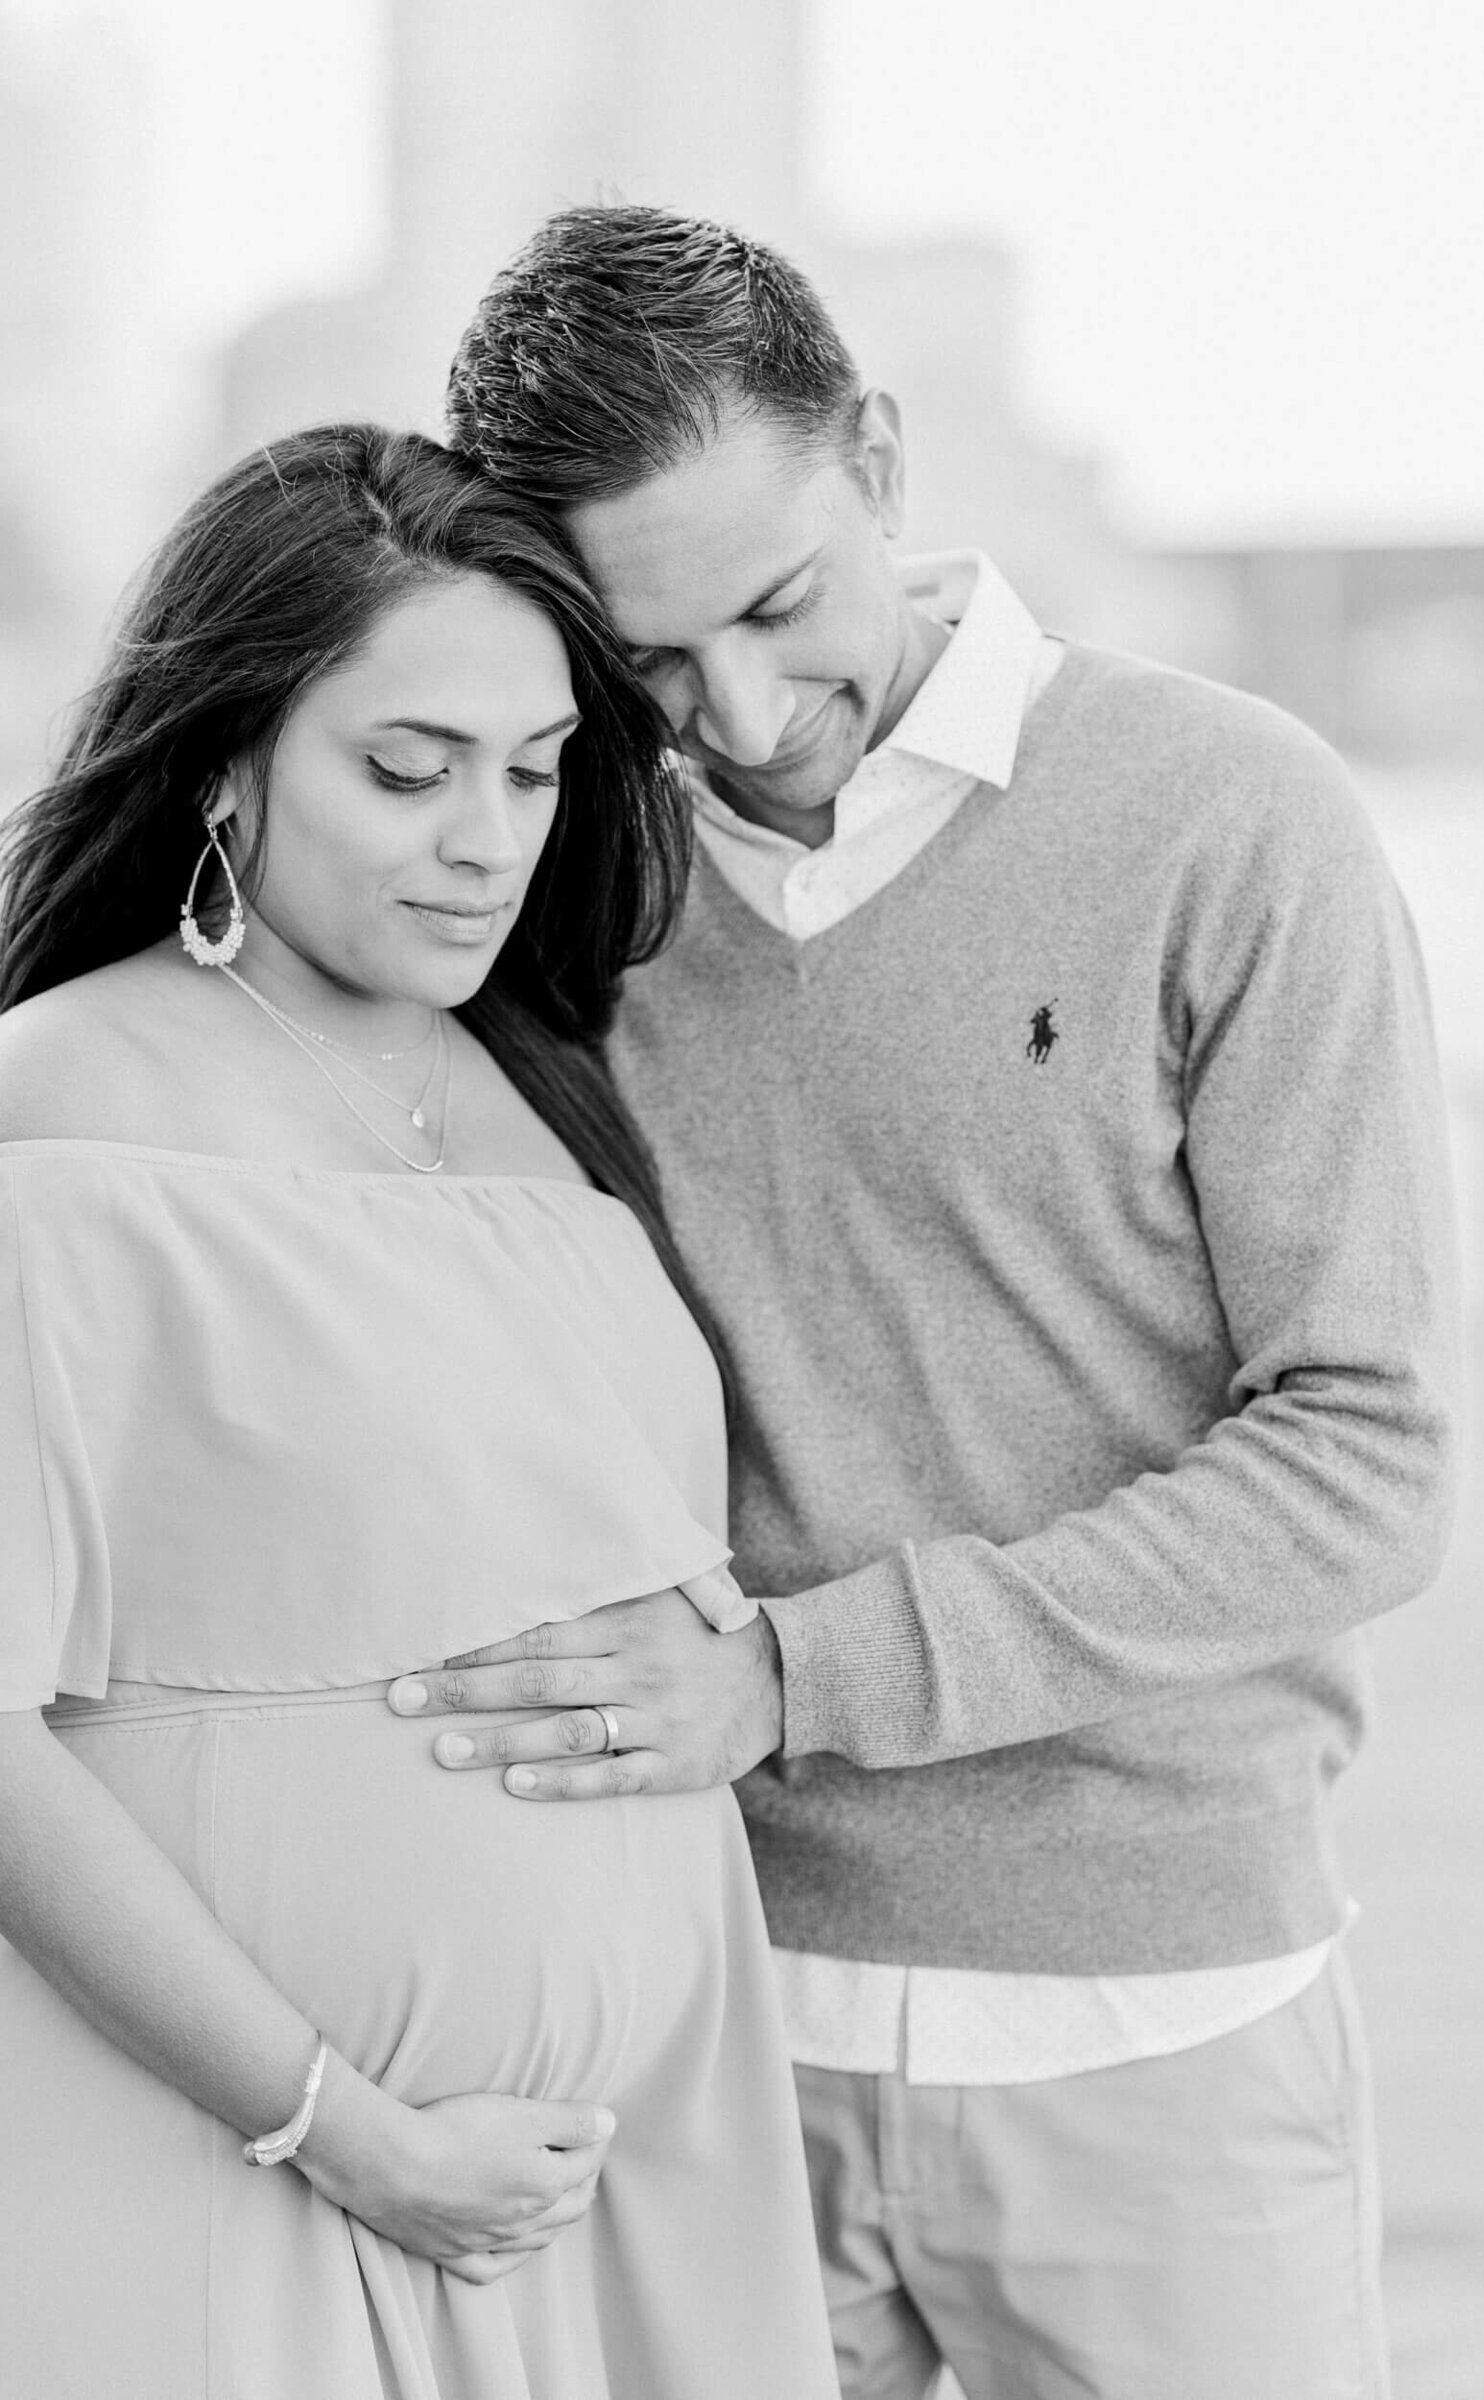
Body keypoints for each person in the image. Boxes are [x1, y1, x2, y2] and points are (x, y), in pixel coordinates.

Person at [407, 208, 1462, 2400]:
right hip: (700, 2024)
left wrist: (791, 1678)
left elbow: (1361, 1460)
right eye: (650, 667)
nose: (746, 715)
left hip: (1154, 2024)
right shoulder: (579, 880)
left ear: (874, 459)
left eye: (780, 608)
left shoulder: (1224, 818)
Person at [0, 424, 839, 2400]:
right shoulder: (64, 1112)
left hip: (614, 2196)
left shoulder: (541, 1094)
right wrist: (344, 2129)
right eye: (406, 770)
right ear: (223, 762)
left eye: (533, 771)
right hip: (242, 2162)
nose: (485, 836)